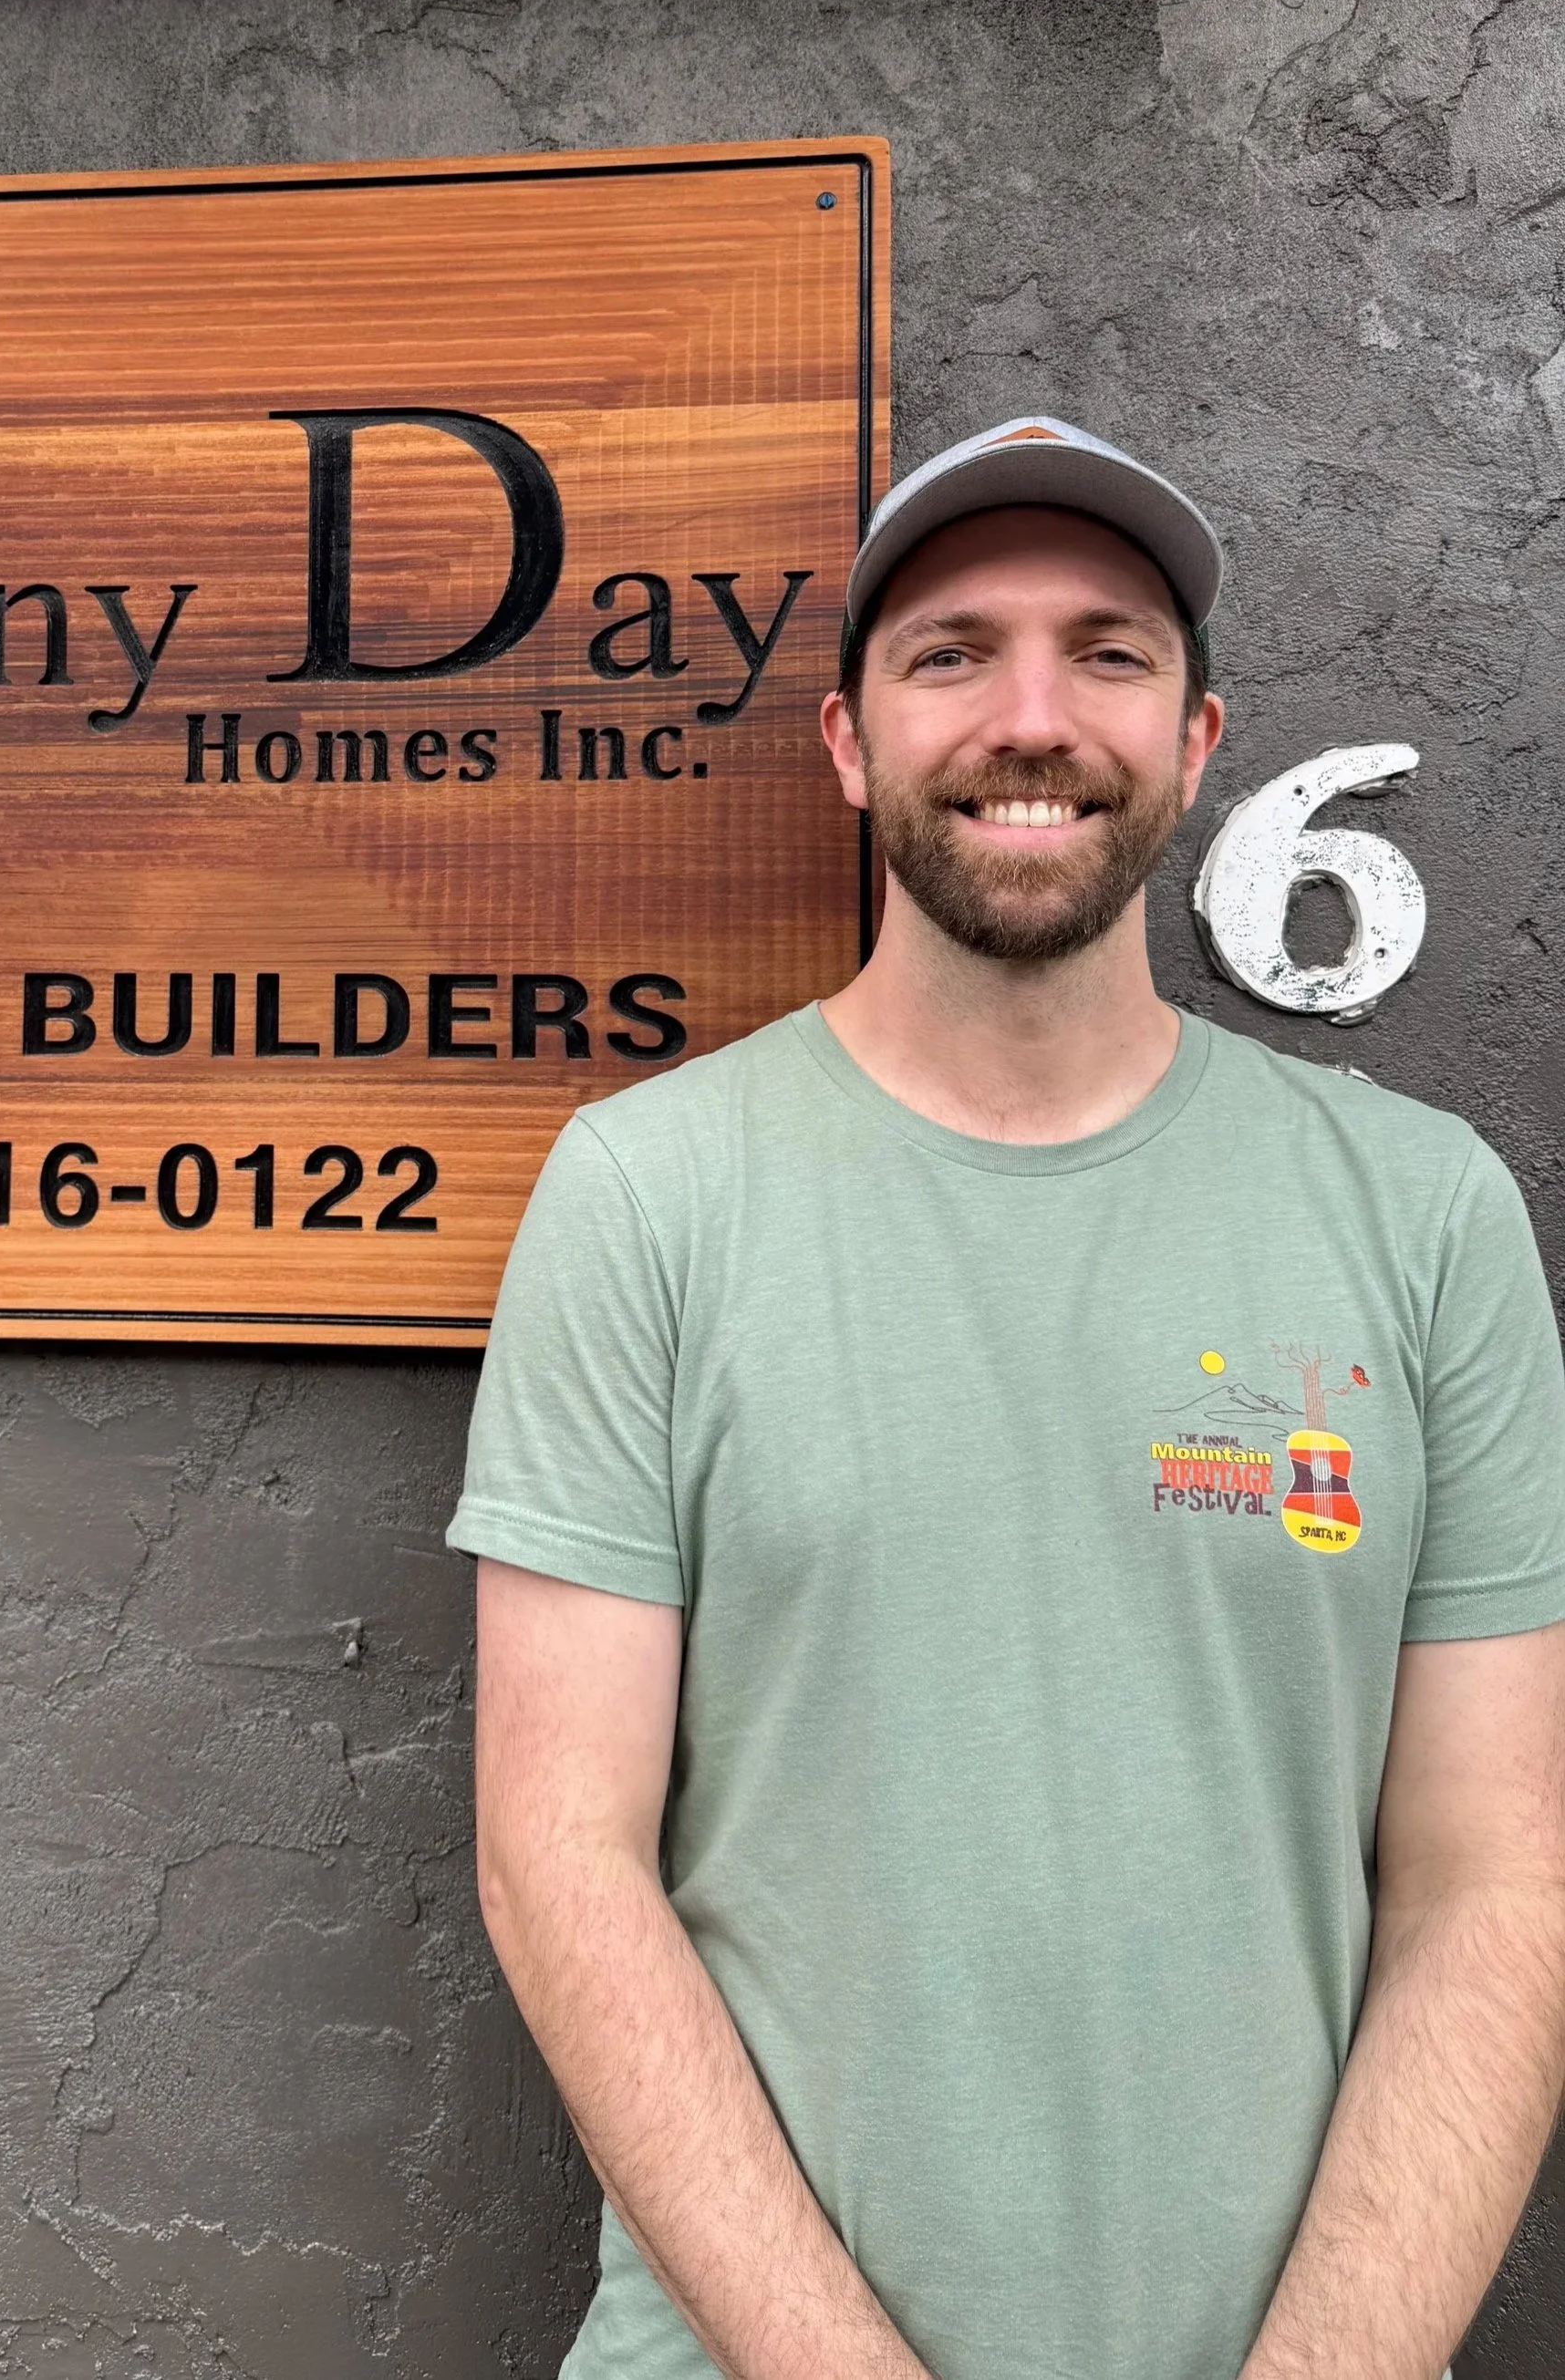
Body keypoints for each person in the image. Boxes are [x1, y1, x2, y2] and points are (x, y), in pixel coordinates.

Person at [447, 415, 1565, 2380]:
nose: (1030, 717)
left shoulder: (1425, 1216)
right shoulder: (648, 1194)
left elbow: (1494, 1883)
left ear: (1196, 743)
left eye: (1106, 653)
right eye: (951, 653)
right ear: (850, 740)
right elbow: (559, 1857)